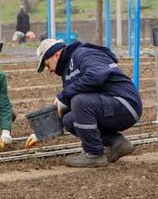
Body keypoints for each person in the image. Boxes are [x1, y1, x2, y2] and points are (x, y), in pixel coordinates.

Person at [36, 38, 142, 167]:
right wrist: (40, 133)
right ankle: (117, 143)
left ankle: (94, 154)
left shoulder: (82, 54)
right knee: (69, 119)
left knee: (80, 101)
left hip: (125, 103)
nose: (50, 70)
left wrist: (64, 96)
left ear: (56, 55)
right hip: (111, 106)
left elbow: (96, 75)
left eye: (47, 65)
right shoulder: (68, 70)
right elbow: (71, 108)